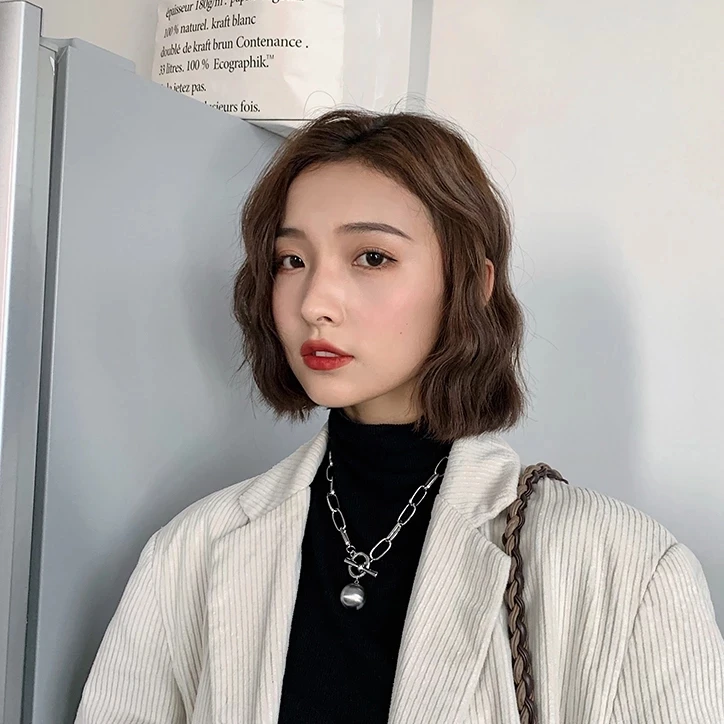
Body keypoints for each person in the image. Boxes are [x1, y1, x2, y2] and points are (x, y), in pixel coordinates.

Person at [74, 108, 724, 723]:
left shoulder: (627, 568)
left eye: (372, 257)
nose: (314, 301)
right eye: (291, 260)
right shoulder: (192, 553)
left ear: (472, 285)